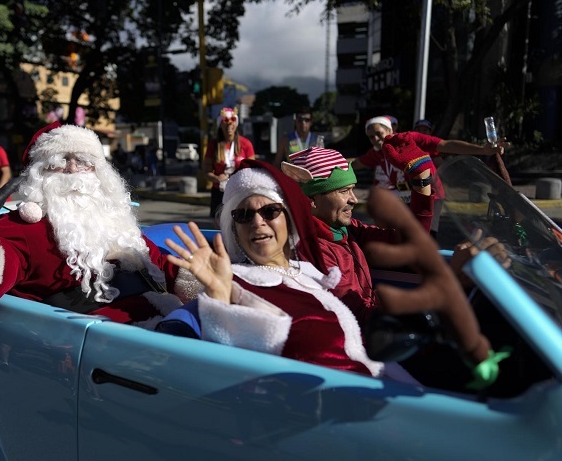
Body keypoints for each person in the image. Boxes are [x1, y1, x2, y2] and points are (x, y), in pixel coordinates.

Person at [156, 159, 494, 384]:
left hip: (380, 375)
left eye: (270, 210)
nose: (258, 221)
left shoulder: (306, 270)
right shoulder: (241, 281)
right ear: (233, 228)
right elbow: (231, 364)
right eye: (243, 215)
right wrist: (218, 298)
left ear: (288, 218)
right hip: (339, 402)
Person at [0, 122, 199, 326]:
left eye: (83, 160)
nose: (72, 169)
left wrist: (214, 283)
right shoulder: (21, 230)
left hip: (162, 326)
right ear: (38, 173)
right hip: (93, 352)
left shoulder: (115, 221)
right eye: (59, 161)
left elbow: (165, 268)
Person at [280, 146, 434, 325]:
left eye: (352, 190)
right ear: (311, 200)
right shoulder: (312, 249)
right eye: (343, 191)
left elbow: (408, 241)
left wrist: (421, 179)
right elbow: (353, 315)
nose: (353, 199)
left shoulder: (346, 229)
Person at [350, 115, 507, 238]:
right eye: (371, 137)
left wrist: (483, 150)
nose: (376, 139)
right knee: (404, 237)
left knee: (427, 238)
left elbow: (446, 145)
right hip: (406, 198)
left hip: (430, 194)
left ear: (390, 130)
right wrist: (331, 163)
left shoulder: (408, 138)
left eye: (379, 134)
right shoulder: (376, 153)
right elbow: (356, 163)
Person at [203, 107, 255, 222]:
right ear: (220, 125)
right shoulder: (214, 145)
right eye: (225, 122)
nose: (229, 125)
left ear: (236, 124)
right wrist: (217, 178)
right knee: (219, 225)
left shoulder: (246, 144)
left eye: (232, 122)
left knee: (239, 225)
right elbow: (206, 171)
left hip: (240, 191)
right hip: (220, 191)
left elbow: (253, 171)